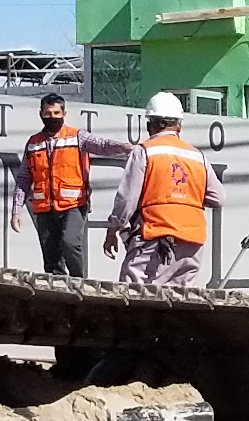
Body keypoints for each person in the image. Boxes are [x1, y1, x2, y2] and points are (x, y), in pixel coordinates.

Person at [104, 93, 218, 287]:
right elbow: (217, 197)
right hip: (192, 242)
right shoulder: (198, 157)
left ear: (150, 125)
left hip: (154, 238)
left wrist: (113, 229)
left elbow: (127, 200)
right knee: (179, 304)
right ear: (179, 126)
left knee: (135, 296)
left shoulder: (145, 152)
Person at [17, 93, 132, 277]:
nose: (52, 117)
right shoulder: (33, 143)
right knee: (51, 256)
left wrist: (123, 147)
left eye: (56, 113)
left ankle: (79, 281)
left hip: (74, 205)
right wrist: (17, 210)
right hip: (45, 208)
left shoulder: (77, 137)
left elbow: (101, 145)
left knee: (70, 244)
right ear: (41, 114)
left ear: (64, 113)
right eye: (48, 113)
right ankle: (58, 290)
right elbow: (24, 178)